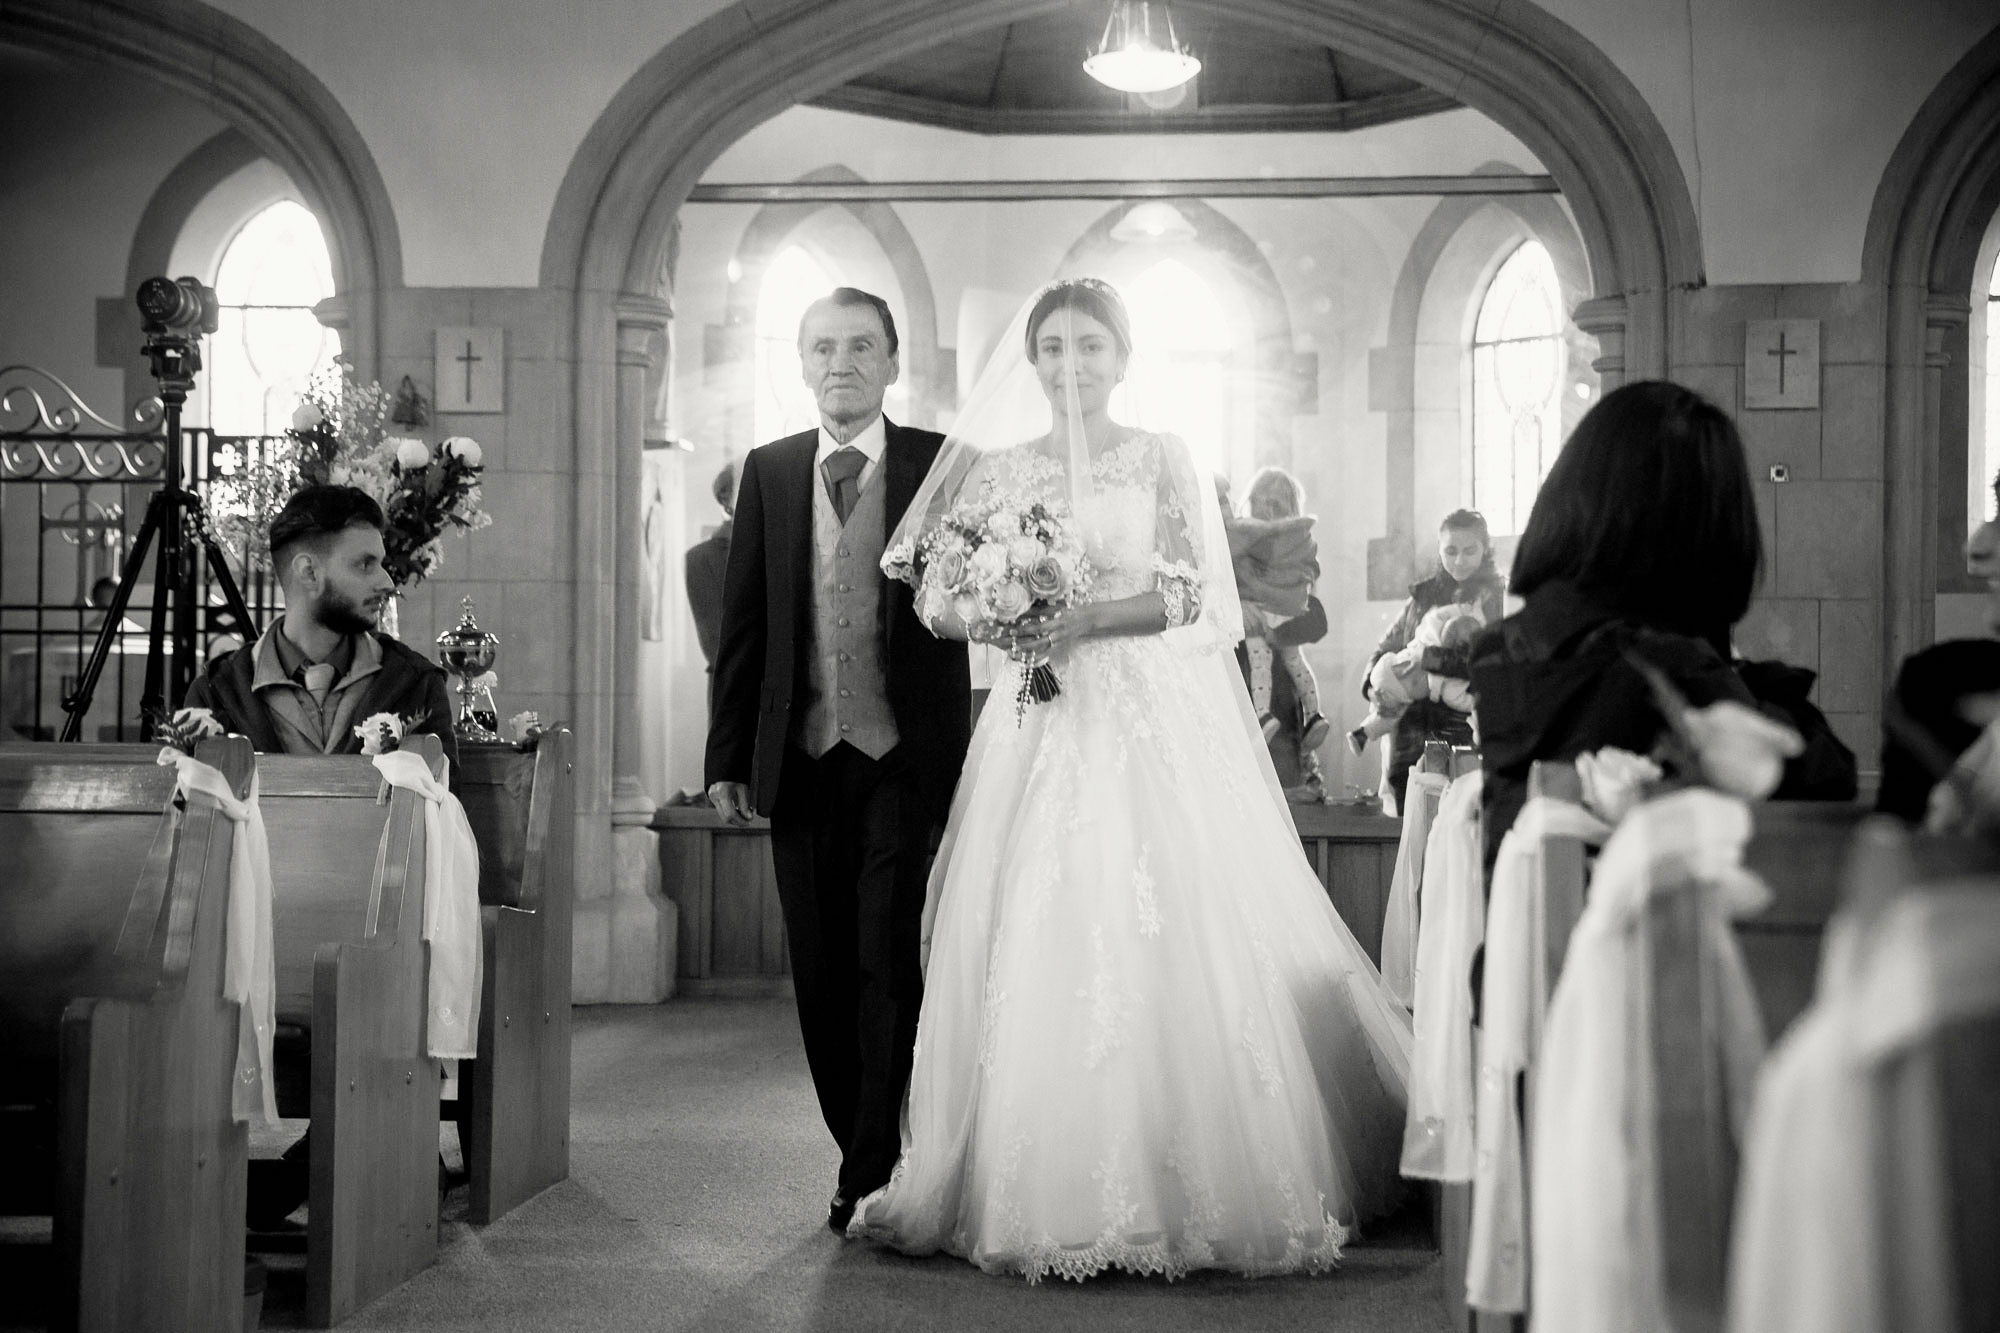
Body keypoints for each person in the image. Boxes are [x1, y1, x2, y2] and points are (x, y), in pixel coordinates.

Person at [850, 278, 1411, 1282]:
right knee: (1032, 918)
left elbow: (1190, 592)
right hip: (1036, 719)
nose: (1070, 367)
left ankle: (1192, 1177)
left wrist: (1082, 618)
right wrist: (996, 608)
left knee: (1165, 919)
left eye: (1089, 348)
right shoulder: (1000, 467)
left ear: (1123, 357)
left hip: (1141, 716)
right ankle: (1027, 1176)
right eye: (1053, 349)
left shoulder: (1159, 455)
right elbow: (936, 599)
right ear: (1033, 362)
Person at [704, 287, 972, 1235]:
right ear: (803, 362)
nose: (841, 363)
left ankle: (869, 1168)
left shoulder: (944, 465)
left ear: (894, 361)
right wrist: (727, 752)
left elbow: (973, 606)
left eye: (862, 346)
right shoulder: (771, 471)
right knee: (818, 973)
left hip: (907, 752)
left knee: (886, 961)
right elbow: (744, 626)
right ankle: (860, 1138)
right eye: (823, 347)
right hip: (803, 754)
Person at [183, 482, 459, 1229]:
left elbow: (440, 821)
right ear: (309, 574)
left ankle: (323, 1161)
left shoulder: (413, 684)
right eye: (365, 564)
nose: (385, 580)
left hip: (379, 929)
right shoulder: (221, 687)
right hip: (256, 921)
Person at [1467, 380, 1763, 873]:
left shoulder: (1505, 646)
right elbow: (1801, 795)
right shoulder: (1662, 671)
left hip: (1517, 941)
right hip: (1644, 938)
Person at [1365, 510, 1506, 810]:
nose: (1459, 560)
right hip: (1411, 731)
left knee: (1462, 818)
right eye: (1450, 551)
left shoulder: (1497, 599)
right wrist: (1374, 688)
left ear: (1485, 548)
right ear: (1439, 550)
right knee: (1409, 817)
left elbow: (1492, 663)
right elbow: (1385, 648)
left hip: (1466, 729)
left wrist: (1428, 659)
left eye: (1469, 551)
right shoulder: (1422, 596)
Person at [1235, 466, 1329, 748]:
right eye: (1260, 501)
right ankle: (1270, 715)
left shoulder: (1297, 551)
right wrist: (1236, 605)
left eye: (1276, 503)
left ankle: (1313, 715)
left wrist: (1277, 632)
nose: (1267, 509)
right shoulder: (1236, 543)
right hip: (1236, 688)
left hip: (1283, 705)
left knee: (1292, 659)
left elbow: (1315, 619)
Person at [1349, 597, 1489, 750]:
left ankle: (1364, 732)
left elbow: (1471, 683)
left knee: (1391, 713)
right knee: (1389, 713)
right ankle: (1364, 732)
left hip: (1453, 736)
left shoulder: (1444, 674)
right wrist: (1370, 690)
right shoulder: (1424, 605)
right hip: (1407, 739)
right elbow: (1384, 647)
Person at [684, 462, 735, 671]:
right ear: (727, 499)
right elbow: (716, 642)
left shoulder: (779, 548)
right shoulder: (701, 558)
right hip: (733, 689)